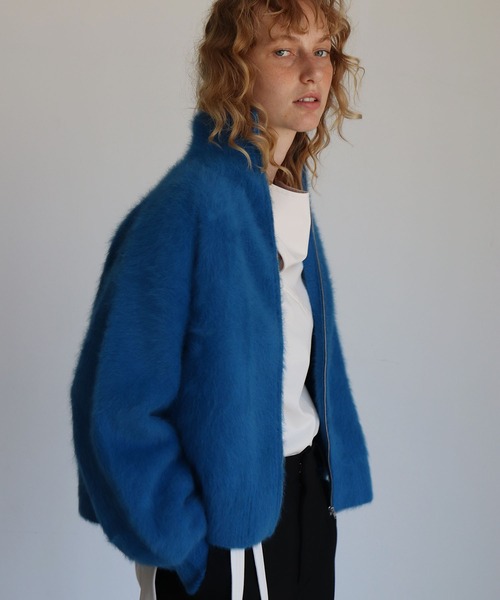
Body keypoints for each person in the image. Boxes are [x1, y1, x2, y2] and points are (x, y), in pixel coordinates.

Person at [70, 0, 372, 598]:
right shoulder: (189, 206)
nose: (313, 71)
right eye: (284, 50)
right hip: (225, 538)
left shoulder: (282, 202)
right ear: (234, 67)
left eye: (323, 50)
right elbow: (118, 407)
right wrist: (183, 544)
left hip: (302, 506)